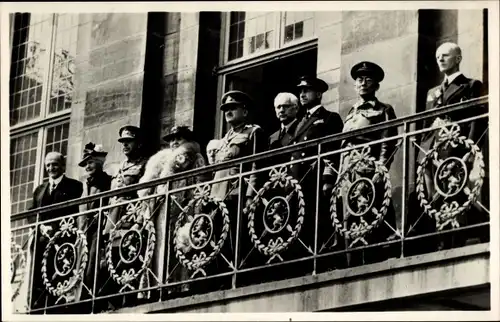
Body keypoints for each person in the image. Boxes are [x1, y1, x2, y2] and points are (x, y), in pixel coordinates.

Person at [414, 42, 487, 252]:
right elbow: (426, 126)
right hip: (433, 152)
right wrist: (422, 155)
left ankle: (459, 238)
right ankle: (442, 238)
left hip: (457, 149)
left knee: (457, 193)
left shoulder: (471, 85)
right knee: (435, 197)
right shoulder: (432, 92)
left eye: (445, 56)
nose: (440, 60)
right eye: (438, 57)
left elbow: (477, 120)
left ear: (457, 58)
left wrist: (472, 151)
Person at [333, 61, 399, 267]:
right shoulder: (351, 113)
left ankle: (370, 259)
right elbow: (343, 148)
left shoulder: (383, 109)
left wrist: (381, 167)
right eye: (359, 79)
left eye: (368, 79)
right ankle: (350, 260)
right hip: (347, 173)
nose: (363, 83)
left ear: (376, 85)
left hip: (368, 169)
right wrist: (338, 177)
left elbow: (388, 142)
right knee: (347, 217)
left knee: (368, 211)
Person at [137, 125, 208, 296]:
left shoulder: (195, 157)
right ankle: (156, 286)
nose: (174, 142)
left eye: (179, 139)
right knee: (159, 246)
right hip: (161, 210)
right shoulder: (160, 161)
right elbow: (151, 188)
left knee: (181, 244)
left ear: (188, 141)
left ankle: (179, 285)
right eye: (171, 140)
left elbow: (200, 184)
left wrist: (196, 209)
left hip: (183, 207)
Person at [210, 90, 266, 287]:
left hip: (237, 193)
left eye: (233, 107)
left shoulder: (253, 132)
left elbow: (256, 164)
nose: (228, 111)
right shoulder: (223, 139)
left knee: (239, 238)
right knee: (220, 240)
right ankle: (223, 279)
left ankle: (240, 278)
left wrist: (251, 193)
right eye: (226, 108)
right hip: (218, 196)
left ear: (245, 110)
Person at [288, 76, 343, 272]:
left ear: (319, 94)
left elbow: (332, 151)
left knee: (317, 221)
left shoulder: (329, 118)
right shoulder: (299, 122)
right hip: (297, 181)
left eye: (307, 90)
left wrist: (328, 178)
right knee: (299, 223)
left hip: (314, 178)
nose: (302, 94)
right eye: (300, 91)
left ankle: (321, 262)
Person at [101, 125, 148, 309]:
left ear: (139, 143)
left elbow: (145, 194)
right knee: (111, 259)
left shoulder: (144, 164)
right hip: (113, 220)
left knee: (129, 256)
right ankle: (113, 299)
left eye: (129, 141)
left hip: (130, 217)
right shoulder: (120, 167)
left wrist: (138, 221)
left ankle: (129, 297)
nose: (125, 145)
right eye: (123, 142)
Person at [29, 152, 83, 310]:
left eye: (55, 164)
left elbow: (75, 213)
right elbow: (32, 213)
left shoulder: (74, 186)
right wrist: (40, 226)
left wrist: (58, 229)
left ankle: (57, 308)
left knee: (59, 276)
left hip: (63, 241)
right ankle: (38, 307)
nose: (51, 168)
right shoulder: (39, 190)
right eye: (48, 165)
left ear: (63, 166)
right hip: (41, 242)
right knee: (38, 278)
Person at [75, 142, 112, 302]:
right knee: (82, 262)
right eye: (85, 164)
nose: (87, 167)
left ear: (99, 162)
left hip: (99, 228)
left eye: (90, 162)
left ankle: (93, 297)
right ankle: (80, 297)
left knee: (94, 263)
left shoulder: (107, 181)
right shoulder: (85, 185)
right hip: (85, 230)